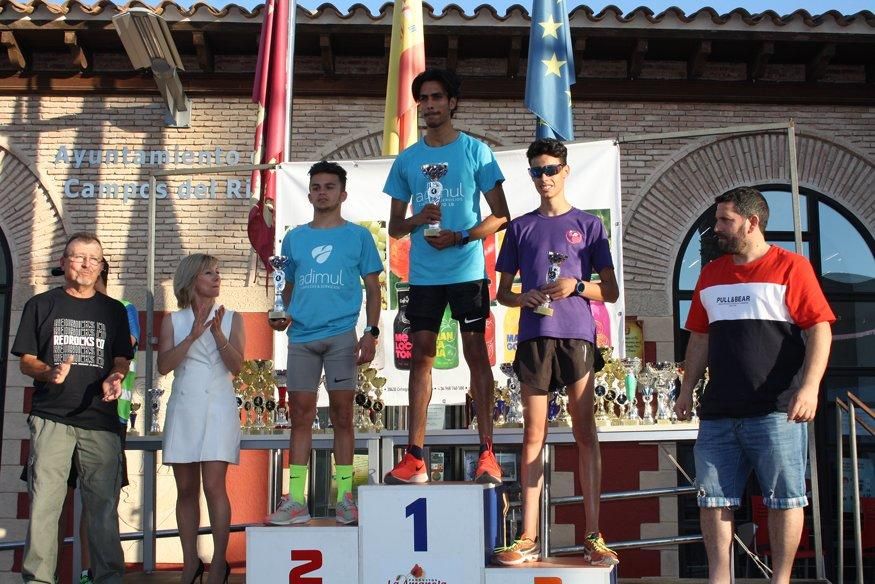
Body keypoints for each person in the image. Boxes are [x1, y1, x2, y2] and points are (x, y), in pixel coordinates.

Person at [674, 186, 834, 584]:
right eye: (716, 221)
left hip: (777, 409)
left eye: (725, 221)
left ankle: (779, 580)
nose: (716, 229)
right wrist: (685, 389)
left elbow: (819, 329)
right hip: (718, 412)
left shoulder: (791, 267)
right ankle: (719, 579)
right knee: (713, 500)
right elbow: (699, 337)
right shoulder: (710, 274)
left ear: (752, 222)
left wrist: (810, 388)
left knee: (785, 500)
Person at [491, 139, 620, 567]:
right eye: (536, 171)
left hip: (578, 336)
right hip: (534, 336)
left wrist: (576, 286)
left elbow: (612, 291)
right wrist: (522, 297)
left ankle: (593, 535)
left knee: (585, 433)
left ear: (566, 171)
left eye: (550, 169)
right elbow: (501, 293)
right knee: (533, 435)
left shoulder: (589, 225)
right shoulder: (521, 227)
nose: (544, 178)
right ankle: (527, 537)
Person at [382, 68, 510, 485]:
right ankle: (414, 455)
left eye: (438, 97)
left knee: (476, 353)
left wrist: (462, 236)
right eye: (424, 99)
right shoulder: (408, 159)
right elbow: (395, 227)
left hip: (467, 269)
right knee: (421, 355)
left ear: (452, 102)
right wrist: (419, 219)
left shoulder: (476, 152)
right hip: (423, 274)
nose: (431, 105)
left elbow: (501, 215)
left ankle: (487, 452)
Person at [266, 160, 382, 525]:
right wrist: (279, 312)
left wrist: (372, 331)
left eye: (329, 186)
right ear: (310, 192)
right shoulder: (295, 237)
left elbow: (374, 289)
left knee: (343, 417)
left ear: (342, 194)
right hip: (301, 335)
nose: (321, 192)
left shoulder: (358, 236)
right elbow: (286, 287)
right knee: (299, 417)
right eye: (316, 187)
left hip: (341, 337)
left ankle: (345, 497)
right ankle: (296, 500)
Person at [12, 233, 133, 584]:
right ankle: (38, 580)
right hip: (52, 419)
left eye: (93, 260)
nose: (85, 265)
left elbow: (122, 358)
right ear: (64, 263)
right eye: (78, 258)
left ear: (101, 266)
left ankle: (108, 578)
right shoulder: (41, 305)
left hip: (101, 421)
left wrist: (116, 376)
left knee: (103, 511)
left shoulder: (114, 311)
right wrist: (49, 372)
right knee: (45, 507)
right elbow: (26, 361)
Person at [157, 254, 245, 584]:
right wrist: (193, 335)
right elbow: (164, 365)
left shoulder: (233, 318)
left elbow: (236, 366)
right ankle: (189, 562)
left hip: (219, 407)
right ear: (193, 279)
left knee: (214, 486)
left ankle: (219, 564)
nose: (217, 278)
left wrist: (218, 334)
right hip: (184, 407)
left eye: (218, 272)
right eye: (210, 273)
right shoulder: (173, 321)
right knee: (186, 489)